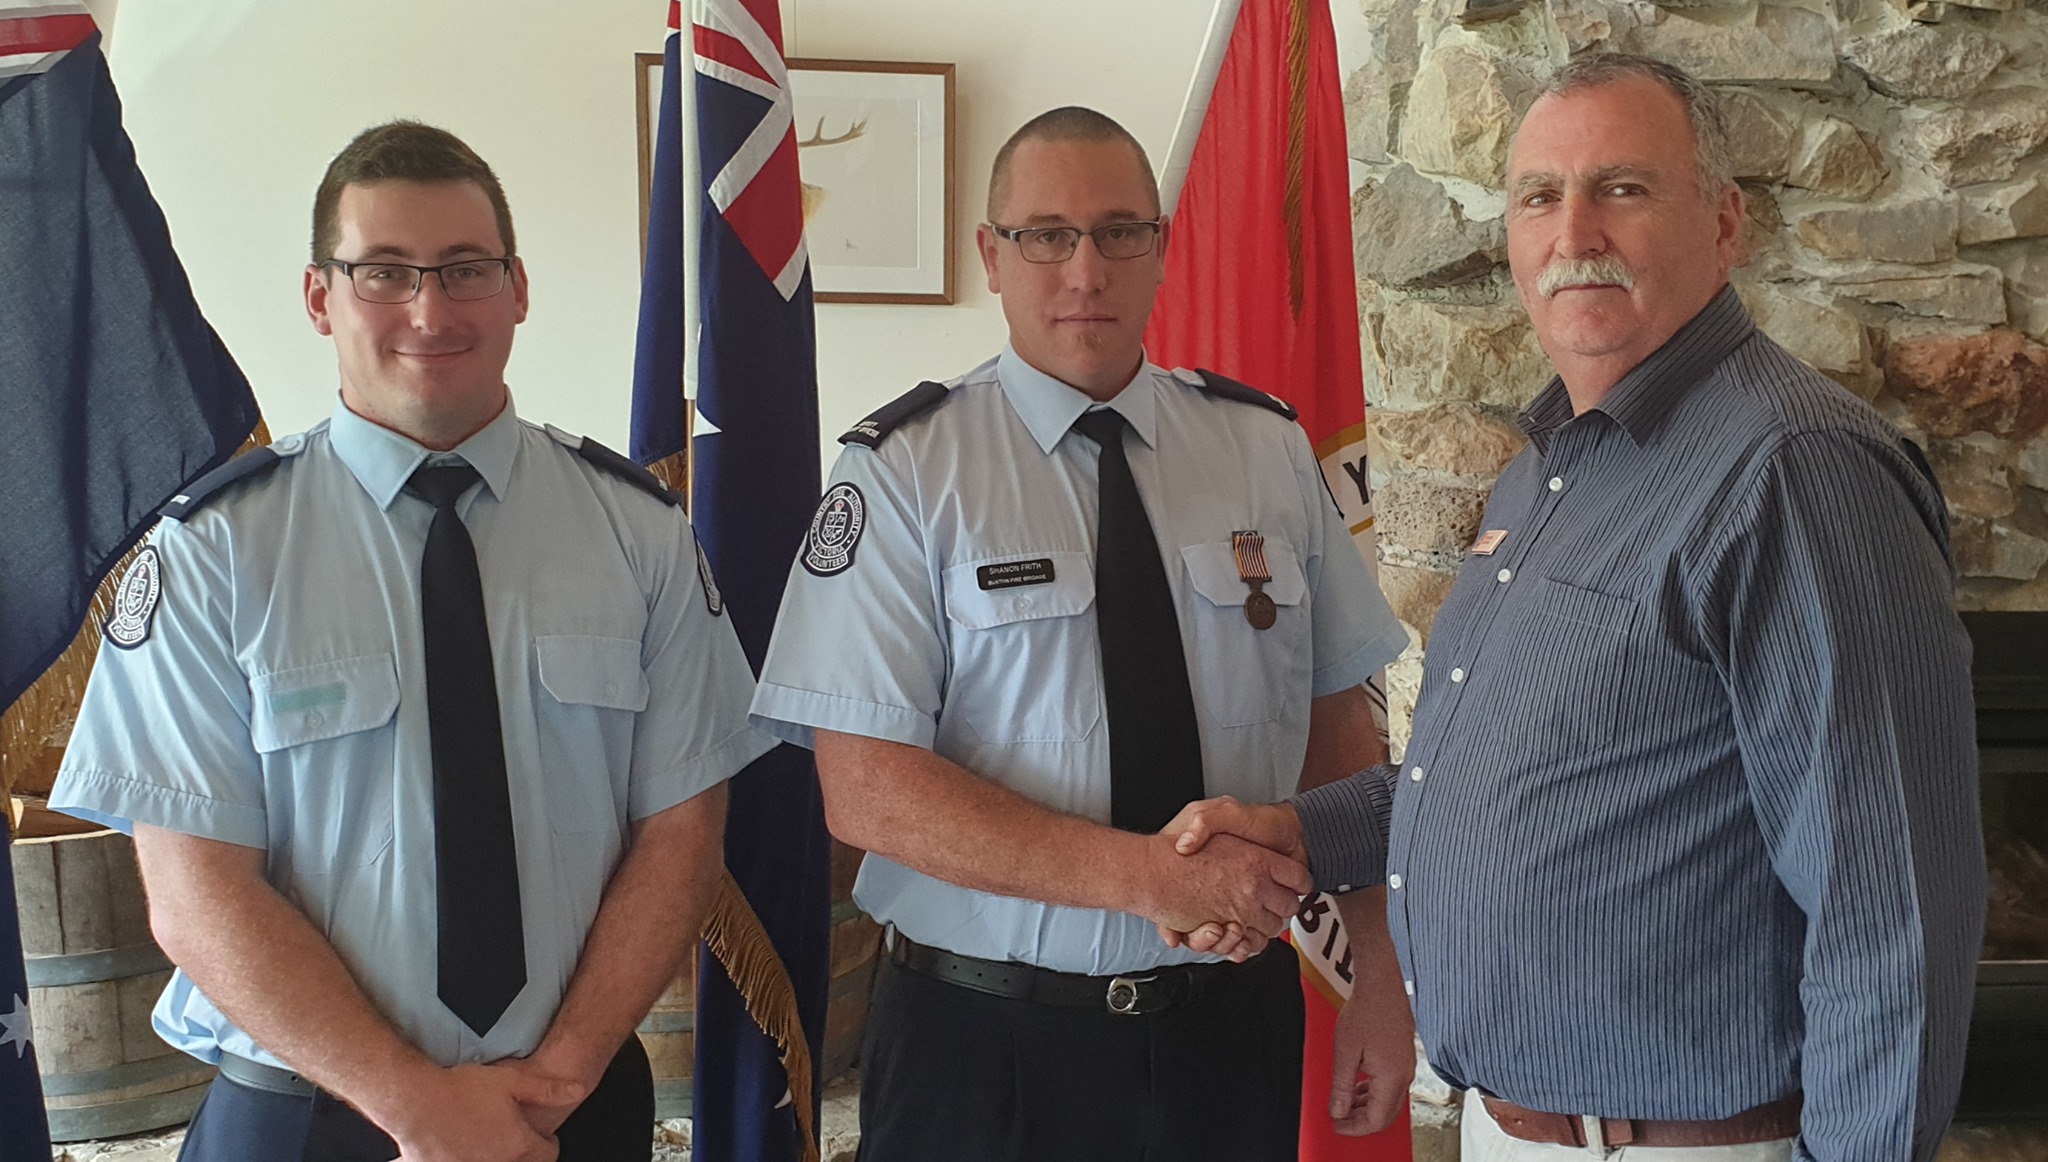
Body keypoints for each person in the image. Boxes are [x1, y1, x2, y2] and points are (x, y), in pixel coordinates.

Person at [1167, 52, 1986, 1161]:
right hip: (1514, 1130)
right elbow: (1513, 775)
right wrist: (1306, 831)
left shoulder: (1795, 471)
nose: (1572, 232)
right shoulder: (1547, 467)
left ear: (1725, 222)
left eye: (1623, 188)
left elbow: (1890, 908)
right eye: (1538, 196)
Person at [50, 121, 773, 1162]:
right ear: (320, 298)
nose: (430, 310)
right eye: (383, 271)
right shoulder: (214, 551)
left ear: (517, 289)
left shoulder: (638, 532)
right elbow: (195, 889)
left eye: (466, 269)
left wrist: (559, 1079)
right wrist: (419, 1105)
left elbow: (683, 836)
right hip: (306, 1112)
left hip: (565, 1104)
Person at [746, 106, 1415, 1161]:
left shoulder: (1264, 449)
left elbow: (1339, 734)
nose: (1085, 270)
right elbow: (869, 789)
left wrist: (1377, 970)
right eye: (1045, 235)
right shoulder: (906, 469)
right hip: (982, 1042)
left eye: (1118, 232)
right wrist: (1151, 877)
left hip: (1226, 1031)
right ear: (991, 255)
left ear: (1161, 248)